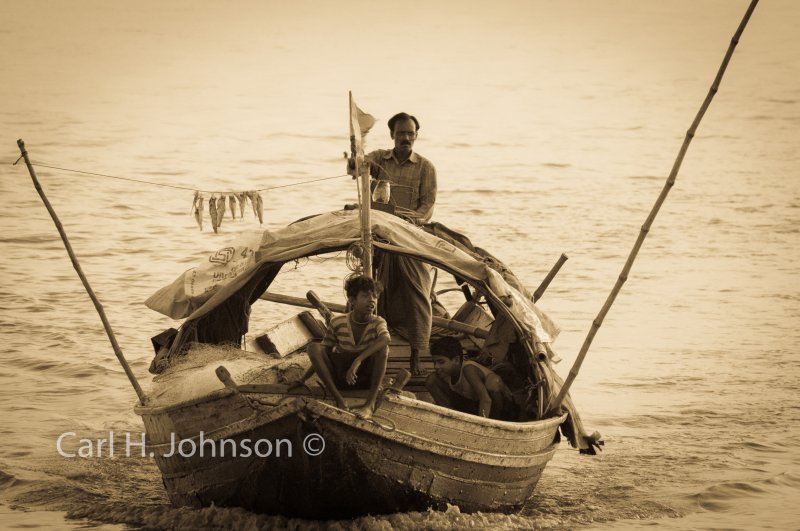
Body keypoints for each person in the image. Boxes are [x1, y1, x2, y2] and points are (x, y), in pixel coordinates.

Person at [364, 112, 437, 375]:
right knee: (373, 289)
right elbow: (356, 167)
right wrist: (354, 154)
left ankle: (417, 353)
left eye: (410, 133)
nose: (406, 137)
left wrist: (406, 220)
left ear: (416, 135)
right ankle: (371, 350)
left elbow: (427, 207)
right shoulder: (378, 159)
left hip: (410, 236)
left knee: (417, 291)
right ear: (392, 135)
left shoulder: (425, 167)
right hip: (381, 235)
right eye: (401, 133)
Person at [306, 275, 390, 418]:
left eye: (375, 297)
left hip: (365, 379)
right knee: (313, 347)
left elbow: (385, 338)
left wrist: (358, 360)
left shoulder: (378, 322)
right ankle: (339, 400)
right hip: (342, 377)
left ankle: (369, 405)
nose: (372, 300)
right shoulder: (337, 322)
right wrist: (303, 379)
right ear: (352, 301)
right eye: (365, 296)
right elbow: (322, 352)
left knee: (383, 348)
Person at [425, 336, 516, 420]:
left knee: (493, 383)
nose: (436, 366)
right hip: (474, 404)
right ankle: (451, 417)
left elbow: (486, 399)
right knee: (431, 380)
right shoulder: (446, 374)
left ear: (456, 360)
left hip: (499, 408)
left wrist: (482, 425)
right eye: (434, 362)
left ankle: (496, 421)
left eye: (441, 362)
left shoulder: (468, 369)